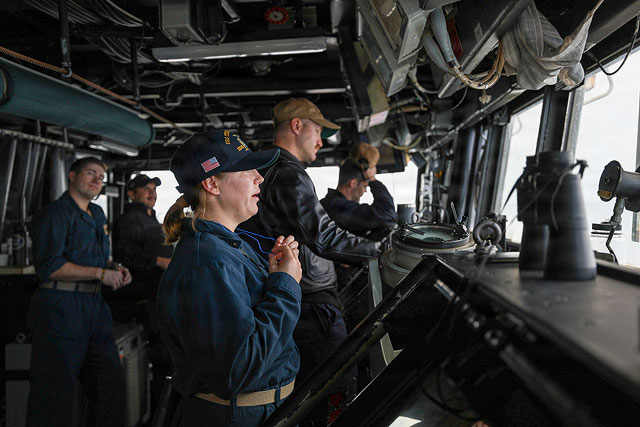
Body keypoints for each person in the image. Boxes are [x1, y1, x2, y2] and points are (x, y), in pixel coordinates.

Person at [240, 98, 381, 425]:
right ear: (296, 126)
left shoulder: (265, 167)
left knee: (306, 394)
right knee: (332, 389)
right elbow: (323, 237)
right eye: (317, 132)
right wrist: (383, 250)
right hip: (312, 303)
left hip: (293, 295)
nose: (321, 141)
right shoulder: (289, 172)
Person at [156, 129, 302, 427]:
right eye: (246, 170)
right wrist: (286, 285)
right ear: (211, 183)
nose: (259, 178)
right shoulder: (209, 262)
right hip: (239, 417)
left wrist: (276, 276)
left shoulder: (225, 246)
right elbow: (238, 371)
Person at [28, 156, 132, 427]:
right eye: (91, 173)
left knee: (110, 384)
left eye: (101, 176)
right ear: (72, 176)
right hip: (61, 306)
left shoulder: (97, 214)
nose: (97, 180)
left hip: (94, 306)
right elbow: (51, 267)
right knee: (54, 392)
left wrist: (115, 269)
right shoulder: (55, 215)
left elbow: (100, 259)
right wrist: (101, 274)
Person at [321, 151, 397, 241]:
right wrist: (372, 179)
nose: (365, 191)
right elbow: (386, 213)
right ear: (353, 183)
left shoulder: (330, 203)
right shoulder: (337, 207)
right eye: (365, 186)